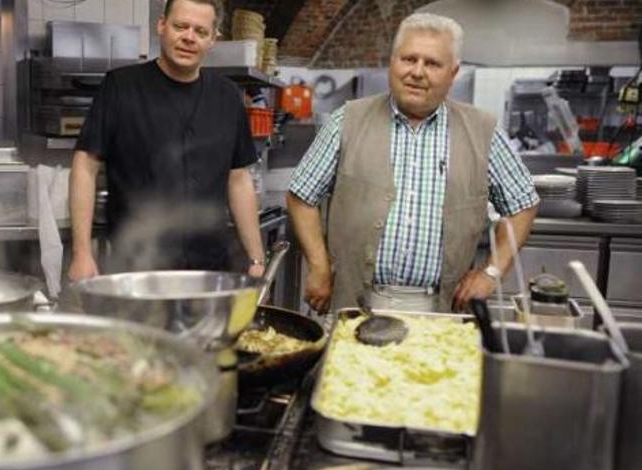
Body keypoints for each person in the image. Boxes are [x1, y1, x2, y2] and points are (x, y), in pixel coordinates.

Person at [287, 12, 539, 314]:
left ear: (453, 72)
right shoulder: (348, 120)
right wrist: (318, 266)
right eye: (409, 59)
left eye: (432, 63)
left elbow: (523, 204)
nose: (417, 72)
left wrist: (491, 273)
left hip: (439, 312)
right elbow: (302, 195)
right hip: (352, 305)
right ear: (392, 62)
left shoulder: (482, 132)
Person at [68, 0, 265, 281]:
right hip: (136, 266)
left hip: (210, 268)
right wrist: (82, 253)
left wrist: (256, 259)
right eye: (180, 26)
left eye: (200, 31)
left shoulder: (227, 96)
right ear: (161, 26)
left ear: (212, 40)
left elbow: (239, 179)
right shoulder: (121, 87)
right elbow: (85, 166)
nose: (189, 37)